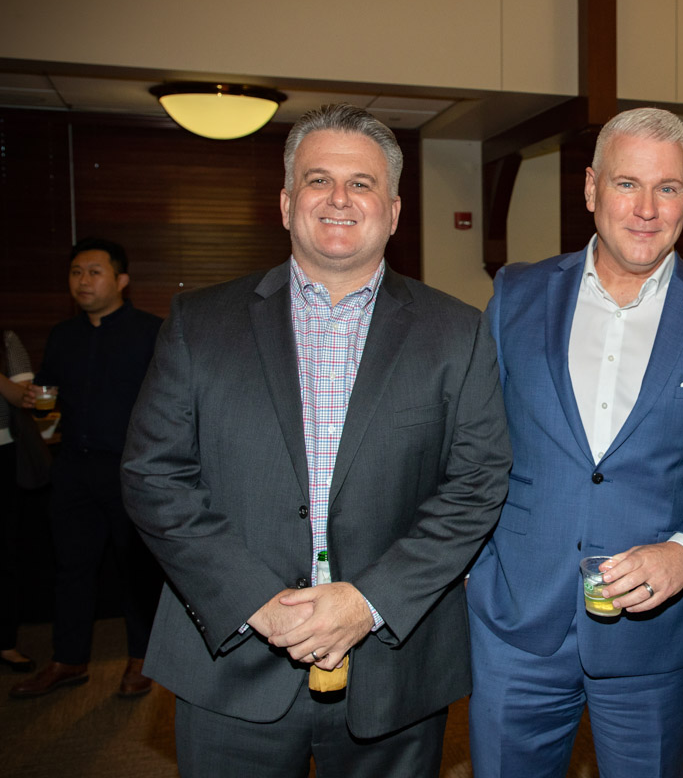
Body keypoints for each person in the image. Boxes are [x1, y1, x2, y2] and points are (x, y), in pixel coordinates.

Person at [120, 104, 511, 777]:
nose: (338, 199)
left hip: (393, 666)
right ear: (285, 202)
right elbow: (154, 475)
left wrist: (368, 601)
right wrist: (257, 603)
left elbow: (477, 482)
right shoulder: (199, 323)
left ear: (391, 210)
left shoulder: (458, 332)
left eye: (361, 184)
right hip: (231, 660)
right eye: (317, 180)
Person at [466, 107, 683, 777]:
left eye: (666, 188)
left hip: (654, 637)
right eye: (626, 184)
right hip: (517, 621)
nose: (646, 208)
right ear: (590, 189)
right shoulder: (517, 295)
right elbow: (474, 445)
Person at [10, 239, 163, 699]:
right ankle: (69, 659)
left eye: (94, 272)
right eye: (76, 273)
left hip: (128, 469)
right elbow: (48, 395)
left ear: (121, 280)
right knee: (71, 567)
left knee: (135, 568)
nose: (83, 282)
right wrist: (39, 401)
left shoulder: (152, 332)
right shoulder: (62, 335)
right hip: (73, 469)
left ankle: (141, 658)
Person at [1, 330, 37, 673]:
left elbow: (27, 397)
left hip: (3, 452)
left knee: (5, 554)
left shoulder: (7, 339)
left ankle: (6, 643)